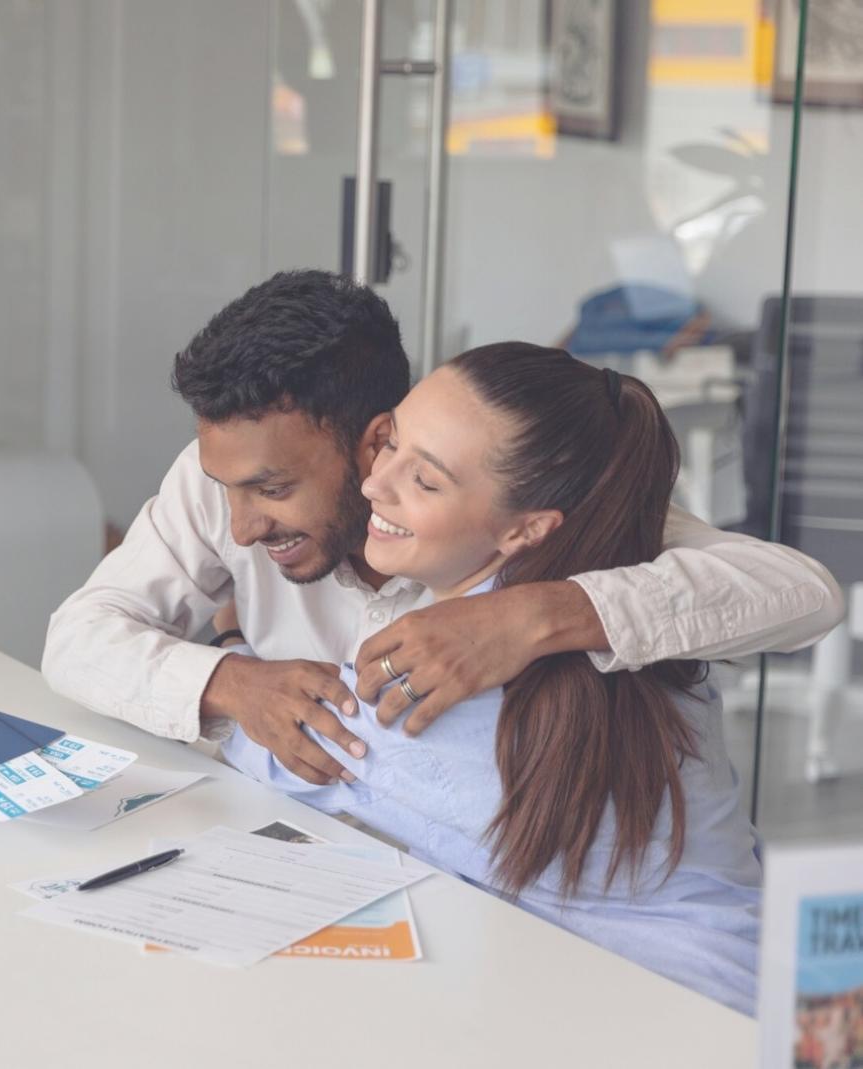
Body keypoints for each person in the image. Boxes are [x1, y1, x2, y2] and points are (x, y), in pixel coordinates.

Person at [42, 270, 842, 784]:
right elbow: (77, 637)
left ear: (374, 439)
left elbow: (802, 592)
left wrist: (532, 614)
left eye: (273, 488)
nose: (241, 526)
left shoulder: (502, 501)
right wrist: (230, 683)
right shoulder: (223, 481)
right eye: (226, 487)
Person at [226, 342, 766, 1012]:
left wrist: (227, 639)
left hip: (676, 1016)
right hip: (723, 978)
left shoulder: (453, 689)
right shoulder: (643, 619)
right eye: (389, 443)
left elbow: (269, 743)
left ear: (526, 529)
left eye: (425, 482)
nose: (372, 483)